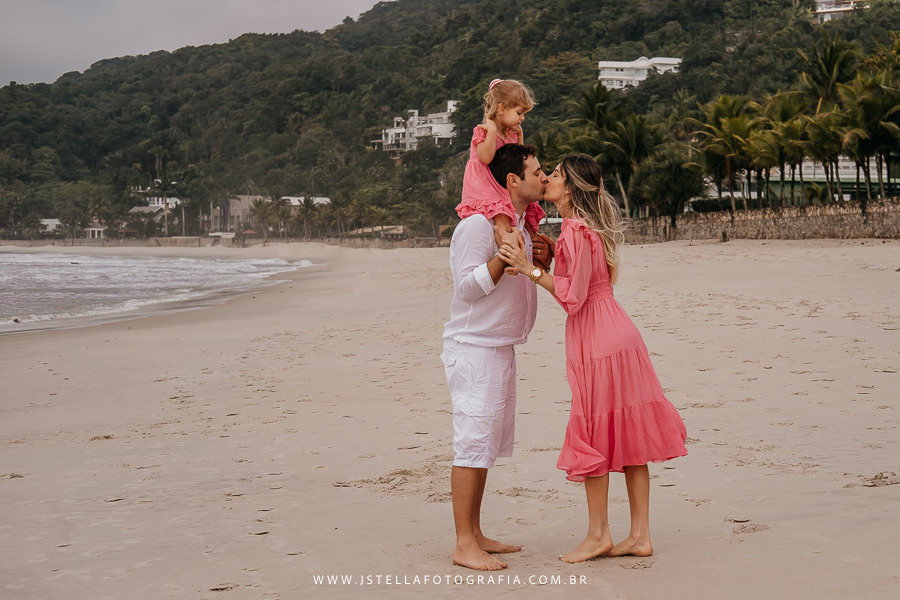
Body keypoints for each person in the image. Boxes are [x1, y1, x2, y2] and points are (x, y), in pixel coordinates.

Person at [498, 153, 687, 563]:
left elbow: (571, 297)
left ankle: (598, 534)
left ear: (571, 188)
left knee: (594, 432)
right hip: (615, 333)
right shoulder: (580, 230)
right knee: (630, 435)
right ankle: (639, 536)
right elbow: (578, 280)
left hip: (598, 339)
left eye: (556, 175)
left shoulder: (578, 230)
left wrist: (528, 268)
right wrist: (547, 260)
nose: (547, 178)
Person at [441, 144, 549, 571]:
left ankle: (476, 532)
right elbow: (465, 288)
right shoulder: (477, 227)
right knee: (471, 444)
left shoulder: (517, 225)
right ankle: (463, 543)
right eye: (537, 172)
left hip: (499, 347)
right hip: (474, 350)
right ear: (512, 181)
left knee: (485, 446)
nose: (544, 178)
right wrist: (503, 261)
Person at [455, 78, 551, 270]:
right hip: (485, 182)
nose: (522, 118)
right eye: (519, 113)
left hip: (500, 180)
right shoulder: (483, 130)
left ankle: (532, 242)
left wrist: (520, 136)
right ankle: (507, 243)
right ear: (500, 108)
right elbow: (486, 157)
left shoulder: (509, 132)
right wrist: (491, 132)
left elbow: (518, 157)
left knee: (527, 213)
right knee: (500, 212)